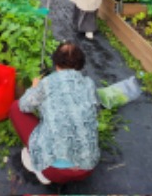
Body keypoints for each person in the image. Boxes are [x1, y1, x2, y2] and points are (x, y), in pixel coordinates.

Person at [9, 42, 99, 185]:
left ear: (56, 62)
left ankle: (40, 168)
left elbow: (24, 105)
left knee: (15, 108)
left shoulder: (47, 83)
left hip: (55, 172)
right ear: (80, 65)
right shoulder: (89, 84)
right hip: (88, 168)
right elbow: (95, 112)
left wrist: (34, 88)